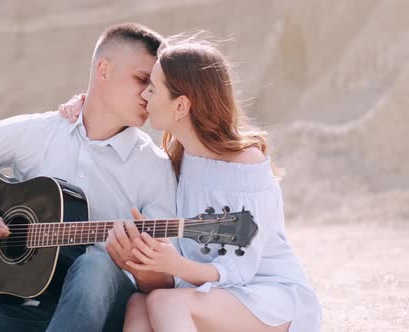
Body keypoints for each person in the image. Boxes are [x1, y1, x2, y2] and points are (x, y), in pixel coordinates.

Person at [0, 23, 178, 332]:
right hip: (20, 312)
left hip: (98, 318)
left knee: (96, 264)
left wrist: (134, 264)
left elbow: (168, 281)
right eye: (141, 79)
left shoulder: (154, 167)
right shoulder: (38, 133)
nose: (149, 94)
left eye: (155, 86)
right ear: (104, 69)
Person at [59, 36, 322, 331]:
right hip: (213, 295)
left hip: (268, 295)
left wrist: (174, 265)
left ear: (181, 105)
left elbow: (240, 271)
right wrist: (148, 258)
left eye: (153, 88)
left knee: (164, 302)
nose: (144, 95)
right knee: (139, 304)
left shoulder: (245, 163)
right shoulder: (177, 160)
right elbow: (183, 264)